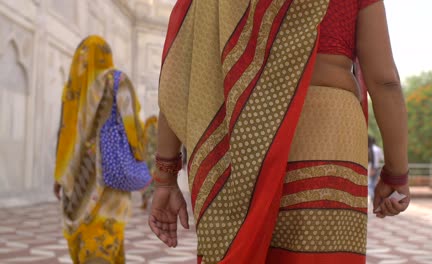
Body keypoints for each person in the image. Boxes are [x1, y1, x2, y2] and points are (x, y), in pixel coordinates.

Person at [149, 0, 410, 263]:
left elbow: (182, 77)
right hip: (330, 127)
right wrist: (396, 176)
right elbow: (385, 81)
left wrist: (166, 178)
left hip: (247, 129)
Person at [54, 36, 144, 263]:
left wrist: (59, 176)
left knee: (86, 239)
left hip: (77, 182)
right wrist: (139, 159)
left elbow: (64, 133)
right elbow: (133, 126)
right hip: (111, 178)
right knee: (105, 236)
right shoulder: (117, 80)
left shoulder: (73, 89)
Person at [141, 116, 159, 210]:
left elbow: (142, 143)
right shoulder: (156, 128)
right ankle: (151, 198)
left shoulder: (146, 128)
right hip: (154, 158)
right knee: (154, 179)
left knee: (146, 179)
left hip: (147, 158)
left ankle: (145, 198)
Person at [368, 135, 384, 200]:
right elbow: (382, 158)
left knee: (370, 183)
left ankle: (372, 196)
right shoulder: (378, 149)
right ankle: (374, 196)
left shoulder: (369, 149)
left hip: (370, 167)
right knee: (374, 183)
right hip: (377, 167)